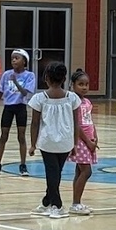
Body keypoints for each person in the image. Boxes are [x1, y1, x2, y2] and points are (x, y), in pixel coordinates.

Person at [28, 62, 83, 219]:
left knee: (53, 173)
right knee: (55, 173)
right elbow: (76, 123)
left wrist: (33, 144)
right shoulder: (72, 98)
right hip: (65, 142)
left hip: (48, 142)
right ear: (64, 78)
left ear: (46, 78)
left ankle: (56, 205)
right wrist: (75, 143)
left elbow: (35, 123)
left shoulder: (39, 98)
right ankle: (46, 201)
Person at [0, 49, 35, 177]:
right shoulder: (6, 74)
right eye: (12, 58)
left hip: (21, 107)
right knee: (3, 135)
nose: (14, 60)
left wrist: (15, 81)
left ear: (24, 61)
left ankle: (23, 165)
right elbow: (0, 92)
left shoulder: (29, 75)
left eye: (17, 58)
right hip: (8, 108)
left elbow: (25, 92)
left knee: (21, 136)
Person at [68, 69, 98, 215]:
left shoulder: (87, 102)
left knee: (79, 171)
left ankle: (77, 202)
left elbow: (90, 121)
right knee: (87, 171)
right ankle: (75, 203)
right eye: (80, 84)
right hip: (80, 141)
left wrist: (95, 137)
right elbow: (77, 125)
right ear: (72, 85)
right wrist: (87, 141)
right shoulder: (73, 102)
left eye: (86, 84)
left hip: (89, 140)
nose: (84, 87)